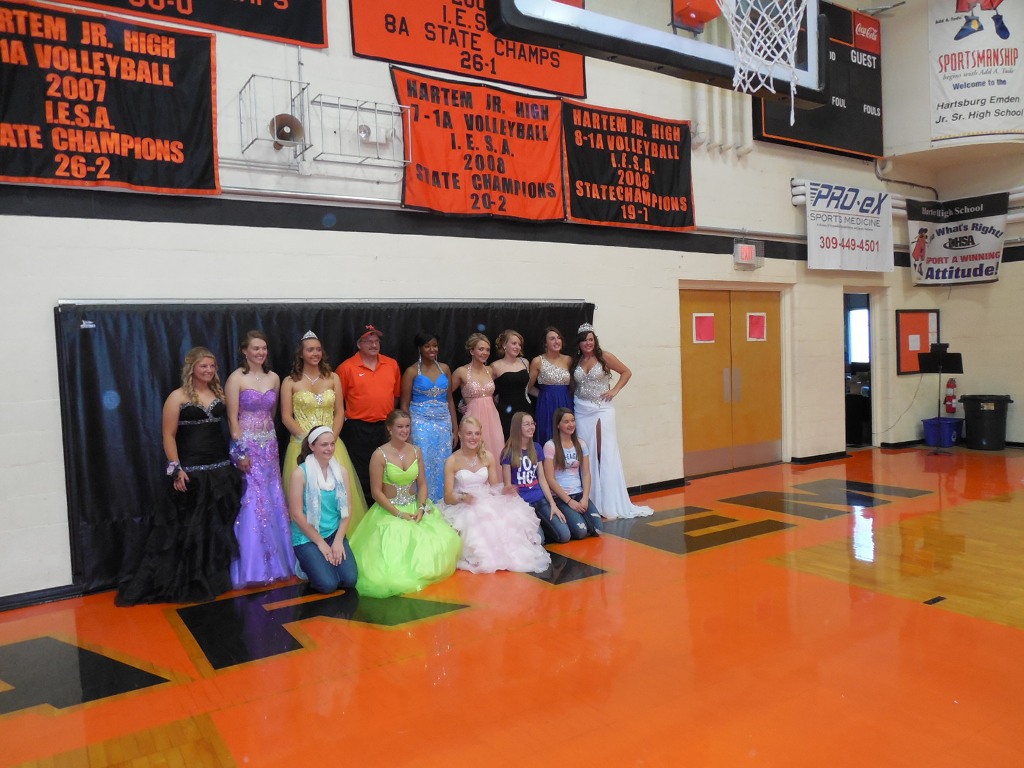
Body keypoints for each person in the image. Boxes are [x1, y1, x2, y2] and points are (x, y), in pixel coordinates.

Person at [117, 347, 243, 605]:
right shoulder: (177, 397)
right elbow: (168, 435)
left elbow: (232, 425)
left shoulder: (218, 393)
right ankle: (189, 581)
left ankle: (212, 579)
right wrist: (176, 469)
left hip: (219, 468)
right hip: (192, 471)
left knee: (213, 528)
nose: (209, 370)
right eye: (203, 366)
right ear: (192, 368)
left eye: (212, 366)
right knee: (188, 531)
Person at [348, 409, 461, 598]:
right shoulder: (379, 455)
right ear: (389, 428)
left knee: (441, 543)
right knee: (391, 560)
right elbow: (376, 492)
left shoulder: (416, 451)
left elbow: (422, 484)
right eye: (400, 426)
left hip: (414, 506)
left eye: (407, 426)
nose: (404, 430)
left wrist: (421, 507)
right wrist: (398, 513)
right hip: (389, 509)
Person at [225, 330, 295, 587]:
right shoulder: (236, 378)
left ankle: (278, 561)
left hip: (269, 445)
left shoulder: (274, 378)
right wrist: (241, 450)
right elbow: (232, 418)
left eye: (264, 348)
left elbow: (272, 413)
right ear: (245, 351)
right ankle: (253, 566)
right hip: (247, 445)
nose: (261, 352)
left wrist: (267, 438)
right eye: (256, 348)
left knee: (272, 494)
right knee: (253, 500)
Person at [441, 416, 550, 574]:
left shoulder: (488, 456)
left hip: (484, 498)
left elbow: (494, 487)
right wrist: (463, 498)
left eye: (477, 433)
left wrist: (504, 490)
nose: (473, 438)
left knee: (505, 524)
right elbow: (447, 496)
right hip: (462, 503)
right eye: (469, 433)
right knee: (474, 525)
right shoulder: (452, 460)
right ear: (460, 435)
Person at [281, 331, 367, 529]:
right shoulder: (290, 381)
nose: (315, 353)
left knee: (337, 492)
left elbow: (340, 412)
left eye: (318, 349)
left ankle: (339, 535)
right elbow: (286, 416)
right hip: (302, 443)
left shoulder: (333, 378)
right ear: (301, 353)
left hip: (331, 443)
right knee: (306, 493)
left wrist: (330, 438)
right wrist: (308, 441)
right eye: (310, 350)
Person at [572, 324, 654, 520]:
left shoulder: (605, 357)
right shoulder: (577, 361)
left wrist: (615, 390)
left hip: (602, 409)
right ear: (579, 343)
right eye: (584, 340)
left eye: (590, 339)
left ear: (595, 341)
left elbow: (626, 372)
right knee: (586, 452)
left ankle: (608, 501)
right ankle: (591, 500)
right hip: (581, 409)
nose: (587, 343)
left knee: (604, 452)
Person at [287, 427, 358, 594]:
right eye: (324, 445)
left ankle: (323, 564)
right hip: (308, 537)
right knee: (328, 585)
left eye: (332, 444)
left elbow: (347, 508)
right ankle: (306, 564)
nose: (329, 448)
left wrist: (338, 541)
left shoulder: (341, 472)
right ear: (312, 446)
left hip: (333, 534)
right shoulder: (300, 473)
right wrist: (321, 544)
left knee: (349, 580)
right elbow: (296, 514)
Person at [338, 324, 401, 502]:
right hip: (358, 429)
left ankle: (386, 508)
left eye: (376, 341)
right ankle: (365, 511)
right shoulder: (346, 368)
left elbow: (396, 395)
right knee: (361, 472)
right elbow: (338, 401)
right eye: (368, 341)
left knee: (387, 470)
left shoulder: (392, 364)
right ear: (359, 344)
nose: (374, 345)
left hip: (385, 427)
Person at [400, 331, 457, 502]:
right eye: (427, 346)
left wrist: (455, 428)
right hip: (420, 423)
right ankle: (422, 502)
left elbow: (450, 400)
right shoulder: (411, 371)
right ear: (419, 348)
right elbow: (404, 404)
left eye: (435, 346)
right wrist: (408, 431)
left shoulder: (445, 369)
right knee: (422, 460)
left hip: (443, 422)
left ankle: (442, 501)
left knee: (443, 461)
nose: (432, 349)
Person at [501, 411, 573, 544]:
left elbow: (542, 478)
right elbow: (507, 485)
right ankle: (539, 528)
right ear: (517, 427)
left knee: (565, 536)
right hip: (522, 503)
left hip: (539, 499)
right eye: (526, 424)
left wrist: (552, 504)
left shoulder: (537, 447)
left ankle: (545, 525)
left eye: (532, 423)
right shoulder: (508, 452)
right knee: (539, 541)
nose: (531, 427)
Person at [543, 408, 602, 539]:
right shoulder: (550, 446)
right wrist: (569, 501)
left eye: (573, 421)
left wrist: (585, 498)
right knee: (580, 532)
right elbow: (550, 478)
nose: (571, 424)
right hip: (561, 497)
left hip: (578, 493)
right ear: (558, 425)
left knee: (598, 529)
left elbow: (586, 473)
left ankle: (580, 519)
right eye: (566, 422)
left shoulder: (581, 444)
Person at [450, 333, 505, 458]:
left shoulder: (490, 370)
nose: (485, 353)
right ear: (472, 351)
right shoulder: (461, 372)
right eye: (481, 349)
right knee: (474, 452)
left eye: (487, 350)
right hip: (473, 419)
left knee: (495, 450)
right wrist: (461, 406)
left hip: (493, 419)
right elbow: (446, 396)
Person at [529, 326, 574, 446]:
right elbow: (529, 387)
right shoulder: (538, 361)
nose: (556, 341)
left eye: (558, 338)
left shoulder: (568, 360)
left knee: (566, 434)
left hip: (565, 402)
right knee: (548, 434)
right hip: (547, 404)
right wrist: (544, 395)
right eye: (552, 338)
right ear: (545, 343)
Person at [491, 329, 533, 441]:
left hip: (525, 408)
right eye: (514, 343)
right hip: (506, 411)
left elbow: (528, 387)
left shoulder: (525, 362)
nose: (517, 347)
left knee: (526, 440)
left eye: (519, 344)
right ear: (504, 345)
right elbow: (488, 390)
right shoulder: (494, 366)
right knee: (509, 440)